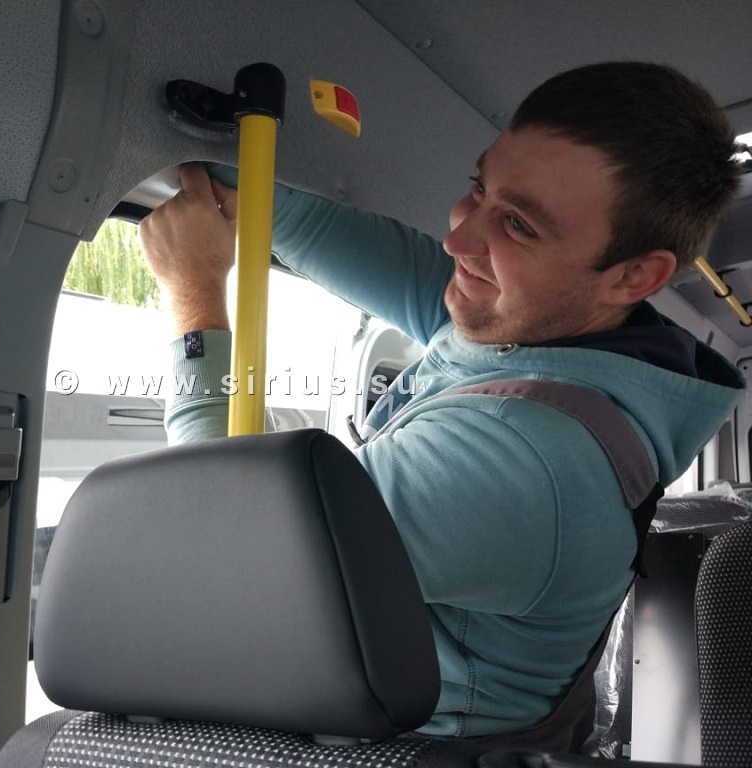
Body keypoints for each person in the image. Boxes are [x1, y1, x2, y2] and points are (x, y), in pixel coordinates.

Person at [138, 62, 746, 739]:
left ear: (632, 277)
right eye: (479, 188)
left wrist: (192, 290)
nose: (459, 237)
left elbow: (214, 536)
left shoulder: (526, 459)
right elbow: (339, 239)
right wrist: (209, 174)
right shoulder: (542, 329)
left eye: (518, 225)